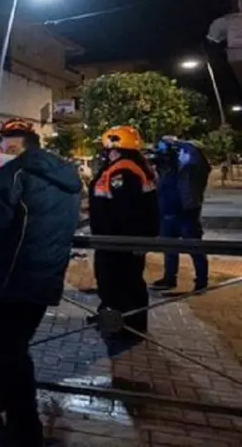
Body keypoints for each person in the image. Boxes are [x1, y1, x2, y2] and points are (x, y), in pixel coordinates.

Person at [0, 120, 82, 447]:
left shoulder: (14, 174)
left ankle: (24, 431)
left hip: (11, 278)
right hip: (46, 276)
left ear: (13, 146)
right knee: (7, 350)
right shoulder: (67, 175)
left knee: (9, 355)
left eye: (2, 145)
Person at [88, 125, 160, 354]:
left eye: (107, 147)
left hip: (118, 242)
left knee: (120, 284)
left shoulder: (123, 171)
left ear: (115, 146)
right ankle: (116, 321)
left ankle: (126, 328)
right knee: (124, 283)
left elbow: (126, 211)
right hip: (117, 240)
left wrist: (127, 243)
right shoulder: (128, 167)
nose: (104, 151)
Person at [149, 137, 211, 292]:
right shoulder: (166, 167)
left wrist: (177, 144)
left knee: (194, 248)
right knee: (169, 248)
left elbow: (199, 163)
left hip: (186, 212)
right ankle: (169, 278)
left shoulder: (188, 164)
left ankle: (201, 280)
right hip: (167, 211)